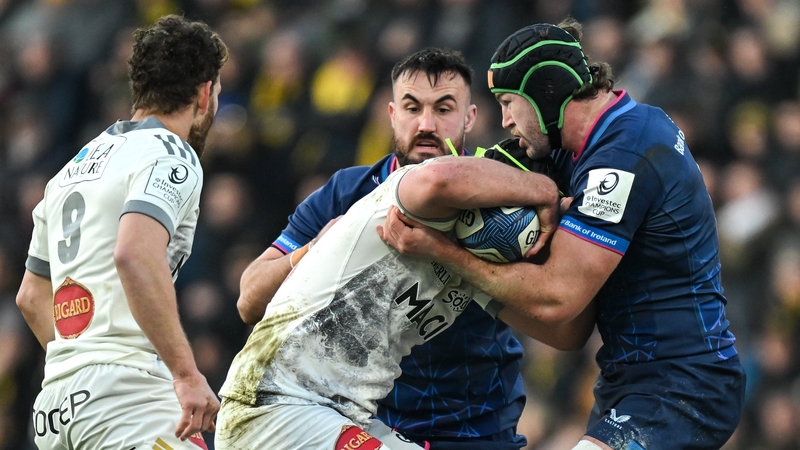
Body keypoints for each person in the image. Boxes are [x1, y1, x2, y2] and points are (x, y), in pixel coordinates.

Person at [379, 18, 746, 450]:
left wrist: (443, 251)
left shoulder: (627, 151)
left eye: (509, 103)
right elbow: (568, 332)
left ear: (546, 92)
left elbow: (558, 298)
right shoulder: (573, 150)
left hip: (685, 384)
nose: (506, 120)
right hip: (627, 382)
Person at [236, 48, 539, 449]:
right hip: (365, 422)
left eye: (444, 109)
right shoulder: (347, 192)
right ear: (392, 115)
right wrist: (314, 250)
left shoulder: (507, 197)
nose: (426, 124)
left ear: (469, 118)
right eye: (412, 108)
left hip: (474, 424)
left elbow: (555, 313)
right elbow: (249, 300)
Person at [216, 153, 594, 450]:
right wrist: (545, 190)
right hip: (275, 403)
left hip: (335, 418)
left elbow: (563, 331)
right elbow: (439, 179)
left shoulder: (471, 260)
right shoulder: (403, 203)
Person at [15, 15, 228, 450]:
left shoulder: (72, 168)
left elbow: (31, 297)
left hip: (56, 407)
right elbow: (134, 253)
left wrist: (80, 370)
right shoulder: (172, 154)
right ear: (205, 93)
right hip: (125, 397)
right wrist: (186, 375)